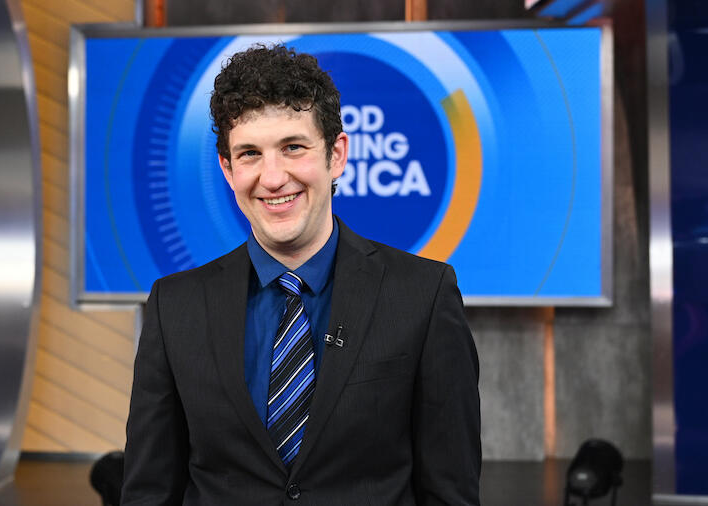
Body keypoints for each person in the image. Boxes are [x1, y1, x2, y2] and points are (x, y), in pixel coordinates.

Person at [121, 44, 480, 505]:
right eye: (250, 154)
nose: (272, 178)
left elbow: (451, 490)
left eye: (293, 147)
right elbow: (149, 493)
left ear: (337, 155)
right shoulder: (175, 308)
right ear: (227, 170)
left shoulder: (424, 296)